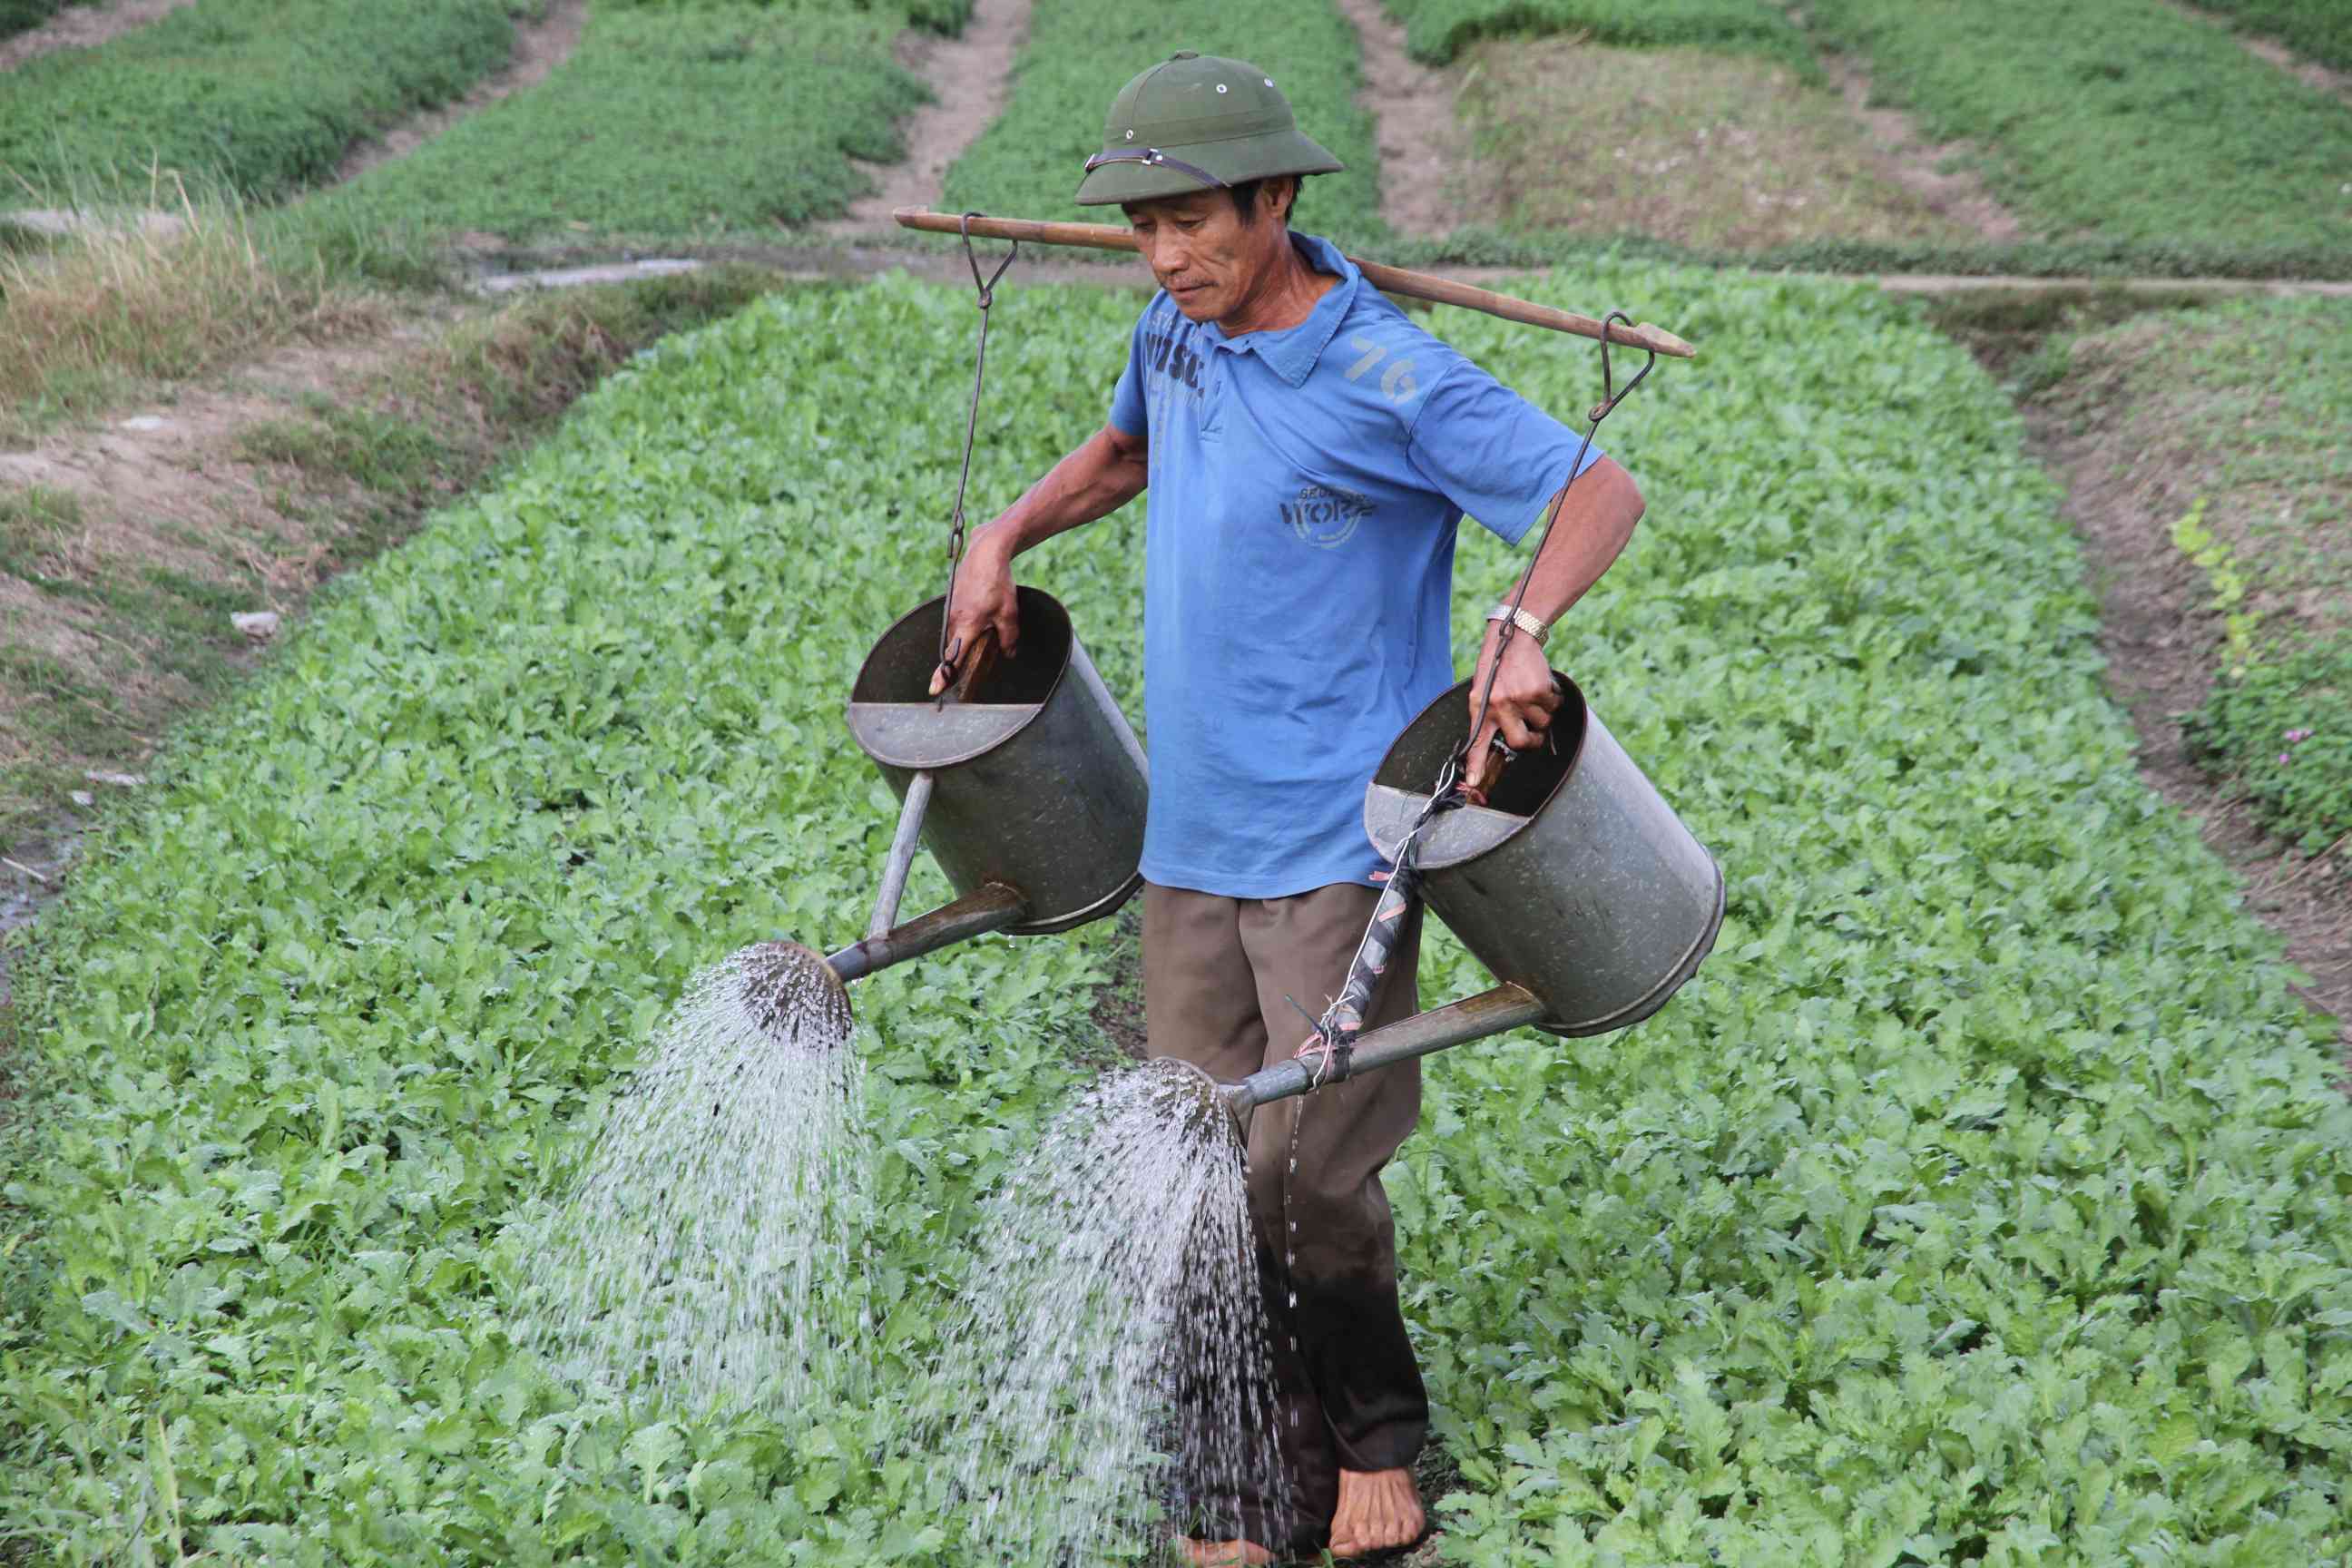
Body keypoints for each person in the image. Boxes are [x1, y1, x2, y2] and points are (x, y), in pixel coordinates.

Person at [931, 51, 1645, 1563]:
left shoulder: (1389, 373)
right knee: (1201, 1162)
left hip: (1338, 842)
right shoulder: (1173, 337)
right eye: (1143, 227)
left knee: (1310, 1164)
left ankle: (1375, 1438)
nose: (1168, 255)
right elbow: (1126, 449)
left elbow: (1597, 492)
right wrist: (1006, 527)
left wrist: (1521, 626)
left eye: (1195, 220)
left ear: (1275, 198)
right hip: (1193, 828)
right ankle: (1242, 1476)